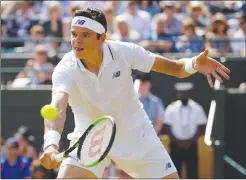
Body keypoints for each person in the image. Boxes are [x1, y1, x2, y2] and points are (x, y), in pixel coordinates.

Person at [39, 8, 230, 179]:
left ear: (102, 38)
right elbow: (58, 109)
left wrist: (194, 64)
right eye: (73, 34)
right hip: (91, 139)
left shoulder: (124, 52)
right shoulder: (65, 68)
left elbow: (177, 69)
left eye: (85, 35)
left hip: (135, 134)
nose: (76, 40)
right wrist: (51, 144)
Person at [163, 82, 207, 178]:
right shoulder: (171, 108)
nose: (183, 95)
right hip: (175, 145)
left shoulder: (197, 108)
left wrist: (190, 141)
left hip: (191, 145)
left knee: (193, 172)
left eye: (185, 93)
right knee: (175, 172)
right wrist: (177, 141)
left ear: (189, 93)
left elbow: (201, 127)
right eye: (181, 93)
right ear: (177, 94)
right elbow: (166, 127)